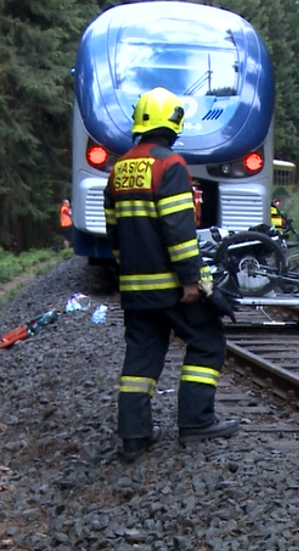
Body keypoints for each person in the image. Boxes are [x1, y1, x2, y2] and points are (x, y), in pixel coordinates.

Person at [104, 86, 239, 463]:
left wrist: (126, 275)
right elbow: (178, 228)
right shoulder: (170, 165)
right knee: (208, 341)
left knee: (140, 360)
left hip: (135, 289)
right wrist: (192, 279)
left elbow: (113, 235)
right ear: (172, 124)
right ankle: (196, 423)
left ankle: (134, 435)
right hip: (170, 286)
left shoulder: (119, 171)